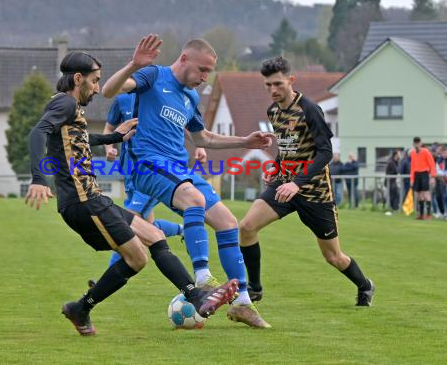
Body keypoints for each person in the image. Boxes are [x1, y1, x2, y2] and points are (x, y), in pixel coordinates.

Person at [26, 51, 238, 336]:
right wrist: (39, 179)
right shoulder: (65, 102)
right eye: (95, 81)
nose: (98, 88)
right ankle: (196, 295)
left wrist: (114, 137)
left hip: (93, 199)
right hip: (83, 202)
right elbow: (37, 133)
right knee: (139, 255)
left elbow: (78, 139)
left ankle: (80, 309)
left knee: (151, 242)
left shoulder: (70, 108)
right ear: (79, 79)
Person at [102, 34, 273, 328]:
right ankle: (202, 278)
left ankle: (243, 303)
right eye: (202, 70)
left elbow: (202, 137)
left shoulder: (190, 97)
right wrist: (134, 64)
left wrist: (244, 140)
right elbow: (108, 91)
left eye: (209, 72)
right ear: (184, 59)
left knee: (227, 221)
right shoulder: (153, 76)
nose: (205, 78)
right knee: (193, 200)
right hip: (146, 164)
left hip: (178, 168)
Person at [238, 57, 375, 309]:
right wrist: (276, 168)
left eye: (277, 84)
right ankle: (255, 289)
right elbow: (287, 147)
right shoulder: (273, 111)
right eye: (267, 85)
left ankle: (365, 285)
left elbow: (324, 152)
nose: (273, 90)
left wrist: (297, 183)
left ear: (291, 80)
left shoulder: (309, 109)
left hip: (314, 193)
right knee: (246, 227)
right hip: (284, 185)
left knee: (333, 256)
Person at [102, 93, 208, 268]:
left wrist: (200, 145)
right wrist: (109, 147)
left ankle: (103, 281)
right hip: (131, 173)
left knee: (128, 223)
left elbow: (183, 123)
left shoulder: (160, 95)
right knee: (148, 227)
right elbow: (109, 128)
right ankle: (182, 229)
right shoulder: (121, 100)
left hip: (154, 172)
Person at [410, 137, 436, 220]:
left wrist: (432, 176)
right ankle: (421, 214)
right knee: (418, 195)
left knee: (426, 194)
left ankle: (428, 214)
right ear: (413, 144)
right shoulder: (413, 153)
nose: (417, 144)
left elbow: (432, 163)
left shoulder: (425, 151)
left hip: (424, 173)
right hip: (417, 174)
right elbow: (412, 167)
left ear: (420, 143)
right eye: (415, 143)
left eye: (418, 142)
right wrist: (412, 179)